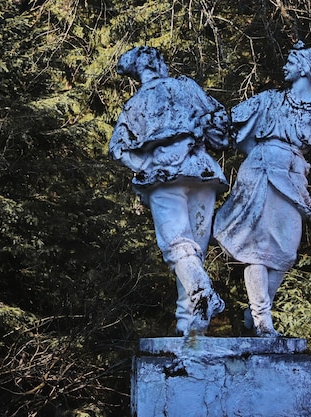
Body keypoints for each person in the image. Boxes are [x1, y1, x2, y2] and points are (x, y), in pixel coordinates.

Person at [213, 41, 311, 337]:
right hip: (261, 172)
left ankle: (257, 309)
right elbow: (229, 125)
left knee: (285, 252)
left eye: (291, 60)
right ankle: (263, 321)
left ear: (305, 68)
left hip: (294, 175)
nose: (285, 65)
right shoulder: (270, 99)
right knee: (258, 251)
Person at [109, 46, 229, 336]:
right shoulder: (186, 86)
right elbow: (220, 130)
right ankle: (189, 324)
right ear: (159, 64)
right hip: (201, 171)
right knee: (193, 252)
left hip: (163, 176)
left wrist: (148, 162)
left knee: (177, 246)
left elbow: (117, 149)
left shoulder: (135, 104)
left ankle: (200, 295)